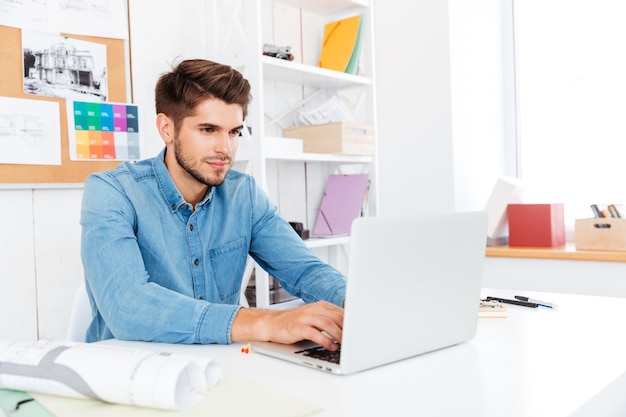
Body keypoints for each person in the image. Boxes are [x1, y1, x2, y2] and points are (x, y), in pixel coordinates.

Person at [80, 59, 345, 351]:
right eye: (208, 130)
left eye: (234, 132)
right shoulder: (112, 191)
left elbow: (306, 272)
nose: (226, 148)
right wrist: (267, 322)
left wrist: (357, 304)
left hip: (219, 370)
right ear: (166, 128)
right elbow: (127, 306)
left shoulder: (244, 195)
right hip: (132, 377)